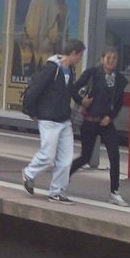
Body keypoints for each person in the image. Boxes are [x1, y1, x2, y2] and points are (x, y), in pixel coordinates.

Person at [21, 38, 86, 203]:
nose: (79, 59)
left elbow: (70, 91)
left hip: (64, 120)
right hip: (48, 119)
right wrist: (31, 112)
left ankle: (56, 191)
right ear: (73, 53)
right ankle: (29, 173)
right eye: (79, 55)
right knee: (48, 155)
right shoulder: (51, 69)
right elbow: (35, 90)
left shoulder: (70, 71)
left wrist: (81, 101)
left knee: (65, 159)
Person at [69, 47, 129, 206]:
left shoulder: (119, 80)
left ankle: (114, 192)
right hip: (89, 120)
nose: (110, 61)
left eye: (114, 58)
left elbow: (119, 103)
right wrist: (81, 101)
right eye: (108, 58)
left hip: (106, 123)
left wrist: (111, 116)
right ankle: (63, 177)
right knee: (85, 157)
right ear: (102, 59)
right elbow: (73, 89)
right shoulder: (92, 73)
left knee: (114, 156)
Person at [21, 0, 60, 73]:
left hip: (45, 55)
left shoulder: (50, 1)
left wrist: (44, 46)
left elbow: (53, 33)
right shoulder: (33, 1)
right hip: (31, 55)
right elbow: (26, 27)